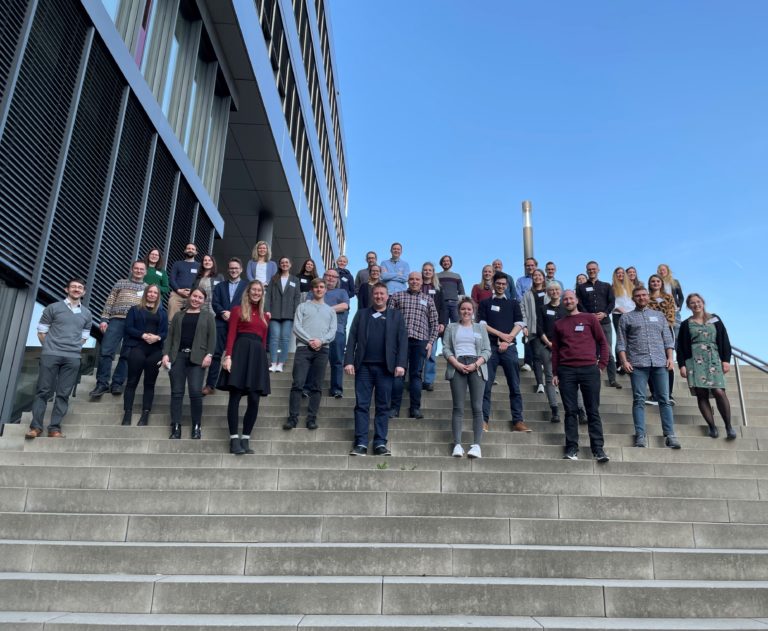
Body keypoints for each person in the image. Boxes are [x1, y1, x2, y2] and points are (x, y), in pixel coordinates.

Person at [344, 282, 407, 456]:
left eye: (382, 294)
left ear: (388, 296)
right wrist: (348, 361)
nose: (379, 296)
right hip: (363, 367)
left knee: (383, 406)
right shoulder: (362, 314)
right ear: (373, 296)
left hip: (386, 369)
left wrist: (401, 364)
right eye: (376, 293)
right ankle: (361, 443)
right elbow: (352, 339)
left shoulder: (396, 316)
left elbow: (403, 342)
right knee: (361, 405)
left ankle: (380, 443)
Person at [24, 278, 92, 440]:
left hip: (72, 357)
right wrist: (49, 347)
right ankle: (35, 427)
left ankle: (54, 428)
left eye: (80, 287)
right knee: (43, 391)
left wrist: (74, 347)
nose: (76, 289)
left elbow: (84, 337)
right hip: (51, 355)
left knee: (63, 394)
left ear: (83, 292)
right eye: (73, 287)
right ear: (66, 289)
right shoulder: (53, 308)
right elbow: (41, 332)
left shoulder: (87, 313)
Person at [617, 286, 681, 449]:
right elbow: (621, 343)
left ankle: (670, 435)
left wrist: (670, 358)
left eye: (644, 295)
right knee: (639, 400)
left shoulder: (659, 316)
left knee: (664, 400)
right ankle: (640, 435)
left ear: (648, 297)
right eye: (638, 295)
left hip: (660, 363)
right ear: (633, 298)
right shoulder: (626, 318)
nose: (641, 298)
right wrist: (624, 361)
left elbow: (667, 339)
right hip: (638, 364)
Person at [551, 289, 610, 462]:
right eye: (565, 299)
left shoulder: (590, 318)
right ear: (562, 302)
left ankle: (598, 449)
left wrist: (602, 365)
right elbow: (555, 350)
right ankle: (571, 448)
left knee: (593, 411)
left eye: (571, 298)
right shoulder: (558, 324)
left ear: (576, 300)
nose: (568, 301)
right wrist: (555, 372)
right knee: (570, 411)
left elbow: (602, 342)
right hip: (566, 370)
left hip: (589, 369)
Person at [219, 281, 271, 455]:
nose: (256, 293)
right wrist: (228, 357)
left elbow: (264, 340)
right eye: (253, 290)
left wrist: (264, 360)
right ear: (248, 292)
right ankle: (234, 439)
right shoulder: (237, 310)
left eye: (259, 290)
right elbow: (231, 334)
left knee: (255, 399)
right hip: (240, 353)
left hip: (258, 357)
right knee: (235, 396)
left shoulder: (265, 316)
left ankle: (245, 438)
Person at [677, 293, 736, 440]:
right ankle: (712, 426)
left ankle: (728, 426)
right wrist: (682, 365)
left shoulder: (714, 318)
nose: (696, 304)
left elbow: (724, 338)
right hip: (694, 360)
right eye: (692, 303)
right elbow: (681, 346)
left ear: (703, 302)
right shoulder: (685, 324)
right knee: (702, 394)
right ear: (688, 306)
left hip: (714, 358)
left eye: (698, 302)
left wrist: (726, 359)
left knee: (719, 391)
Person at [478, 272, 530, 433]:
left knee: (514, 386)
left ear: (507, 285)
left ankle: (518, 421)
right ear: (493, 284)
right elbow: (481, 324)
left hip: (510, 349)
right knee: (486, 387)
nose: (501, 286)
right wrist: (501, 335)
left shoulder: (513, 303)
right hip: (490, 348)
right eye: (498, 283)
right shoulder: (485, 303)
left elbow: (520, 323)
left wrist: (508, 340)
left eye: (503, 284)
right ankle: (483, 421)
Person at [162, 288, 216, 440]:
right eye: (194, 296)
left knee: (195, 392)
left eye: (200, 297)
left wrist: (209, 355)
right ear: (189, 297)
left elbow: (212, 338)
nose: (196, 299)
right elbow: (170, 337)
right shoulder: (179, 315)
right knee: (177, 393)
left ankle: (197, 426)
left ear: (203, 301)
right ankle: (176, 426)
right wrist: (166, 354)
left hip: (198, 358)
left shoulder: (208, 316)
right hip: (177, 356)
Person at [89, 260, 147, 398]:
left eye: (141, 269)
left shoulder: (147, 287)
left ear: (145, 272)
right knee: (106, 351)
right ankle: (102, 383)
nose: (139, 271)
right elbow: (110, 300)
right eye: (136, 268)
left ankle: (117, 383)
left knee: (127, 355)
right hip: (116, 320)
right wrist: (104, 319)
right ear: (132, 269)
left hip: (134, 324)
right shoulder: (120, 282)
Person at [285, 278, 337, 430]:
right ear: (312, 290)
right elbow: (296, 326)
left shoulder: (331, 310)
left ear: (325, 290)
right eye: (316, 287)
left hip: (323, 350)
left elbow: (332, 331)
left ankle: (311, 418)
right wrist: (310, 341)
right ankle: (293, 418)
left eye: (322, 287)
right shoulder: (303, 306)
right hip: (303, 348)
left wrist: (321, 341)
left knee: (316, 386)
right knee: (298, 384)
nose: (319, 289)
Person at [443, 298, 491, 459]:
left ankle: (476, 445)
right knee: (458, 407)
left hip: (476, 365)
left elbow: (487, 350)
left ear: (473, 311)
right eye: (463, 309)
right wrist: (456, 364)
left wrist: (476, 364)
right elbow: (446, 348)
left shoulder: (480, 328)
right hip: (457, 364)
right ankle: (457, 444)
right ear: (459, 311)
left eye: (469, 309)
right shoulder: (451, 327)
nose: (466, 312)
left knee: (477, 407)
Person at [387, 271, 439, 419]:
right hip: (400, 342)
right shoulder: (397, 296)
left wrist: (430, 342)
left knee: (416, 375)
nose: (414, 281)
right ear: (407, 281)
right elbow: (389, 320)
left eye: (417, 279)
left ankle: (415, 408)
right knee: (398, 374)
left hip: (420, 342)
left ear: (422, 282)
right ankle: (394, 408)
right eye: (412, 279)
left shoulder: (428, 299)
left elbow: (434, 323)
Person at [121, 284, 168, 427]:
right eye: (150, 292)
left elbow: (165, 332)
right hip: (137, 347)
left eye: (155, 292)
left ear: (158, 296)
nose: (152, 294)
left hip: (154, 351)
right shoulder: (135, 310)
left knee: (150, 383)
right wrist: (142, 335)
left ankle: (145, 414)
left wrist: (157, 338)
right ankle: (127, 413)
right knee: (132, 382)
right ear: (146, 293)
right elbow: (128, 327)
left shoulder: (163, 313)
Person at [205, 257, 248, 395]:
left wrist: (235, 314)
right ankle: (210, 385)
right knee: (216, 354)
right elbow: (215, 302)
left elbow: (247, 304)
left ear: (241, 269)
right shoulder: (219, 286)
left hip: (239, 324)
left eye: (236, 268)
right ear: (228, 269)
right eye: (231, 268)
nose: (234, 270)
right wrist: (223, 312)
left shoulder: (247, 287)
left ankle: (234, 384)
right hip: (221, 323)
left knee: (236, 355)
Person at [575, 261, 620, 389]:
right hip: (588, 323)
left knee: (608, 350)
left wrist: (605, 313)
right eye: (589, 269)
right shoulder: (581, 287)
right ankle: (592, 377)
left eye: (594, 269)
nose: (591, 271)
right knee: (591, 351)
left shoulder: (606, 286)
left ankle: (612, 379)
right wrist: (589, 316)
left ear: (598, 269)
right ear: (586, 270)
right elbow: (579, 304)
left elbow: (612, 302)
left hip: (605, 322)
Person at [537, 282, 568, 423]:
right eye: (551, 290)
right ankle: (554, 410)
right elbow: (540, 328)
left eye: (557, 289)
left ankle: (579, 409)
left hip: (566, 348)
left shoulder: (566, 308)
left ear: (560, 291)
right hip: (547, 346)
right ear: (548, 292)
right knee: (549, 378)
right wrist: (549, 343)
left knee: (569, 378)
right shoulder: (543, 309)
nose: (554, 292)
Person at [265, 256, 301, 372]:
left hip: (288, 314)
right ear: (280, 265)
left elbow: (297, 297)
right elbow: (268, 295)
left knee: (285, 339)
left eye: (287, 262)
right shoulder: (274, 278)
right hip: (274, 313)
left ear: (290, 265)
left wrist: (296, 312)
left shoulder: (295, 280)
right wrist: (267, 310)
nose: (284, 264)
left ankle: (281, 363)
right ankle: (273, 362)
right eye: (282, 262)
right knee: (274, 338)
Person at [647, 273, 677, 404]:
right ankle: (654, 394)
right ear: (649, 284)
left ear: (661, 283)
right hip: (649, 333)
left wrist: (663, 326)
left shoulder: (668, 297)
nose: (655, 283)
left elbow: (671, 313)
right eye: (653, 281)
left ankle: (668, 394)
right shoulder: (646, 297)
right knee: (649, 362)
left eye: (657, 281)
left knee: (667, 362)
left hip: (665, 331)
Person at [321, 268, 350, 398]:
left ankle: (337, 389)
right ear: (324, 276)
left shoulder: (342, 292)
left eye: (334, 276)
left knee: (337, 361)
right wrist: (334, 309)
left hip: (337, 330)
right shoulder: (317, 290)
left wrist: (324, 309)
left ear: (337, 280)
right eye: (328, 275)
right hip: (318, 331)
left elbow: (344, 306)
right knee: (317, 361)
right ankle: (311, 388)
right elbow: (309, 306)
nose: (331, 278)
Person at [421, 262, 448, 392]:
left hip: (434, 324)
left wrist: (442, 322)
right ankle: (416, 379)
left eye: (429, 270)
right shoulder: (418, 286)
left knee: (431, 354)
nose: (427, 272)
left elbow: (443, 307)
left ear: (433, 272)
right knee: (418, 354)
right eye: (425, 270)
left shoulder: (438, 288)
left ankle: (428, 381)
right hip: (419, 324)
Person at [520, 268, 548, 390]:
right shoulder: (527, 294)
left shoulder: (549, 292)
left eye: (540, 275)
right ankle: (540, 383)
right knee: (536, 355)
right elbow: (523, 310)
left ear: (543, 277)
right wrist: (524, 325)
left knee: (549, 356)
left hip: (548, 327)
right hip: (534, 328)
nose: (537, 277)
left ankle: (551, 382)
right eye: (535, 275)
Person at [611, 267, 634, 374]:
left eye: (622, 273)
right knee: (621, 338)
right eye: (618, 273)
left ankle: (630, 361)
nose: (620, 275)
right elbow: (612, 302)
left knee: (631, 338)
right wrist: (621, 310)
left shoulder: (630, 287)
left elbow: (633, 301)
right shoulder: (613, 287)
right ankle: (619, 363)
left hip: (631, 314)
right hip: (618, 314)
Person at [168, 243, 198, 320]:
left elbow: (200, 281)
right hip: (177, 295)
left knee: (189, 320)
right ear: (185, 250)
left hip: (193, 296)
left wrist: (192, 291)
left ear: (196, 252)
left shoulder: (199, 266)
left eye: (192, 249)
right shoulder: (177, 264)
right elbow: (172, 279)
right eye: (188, 248)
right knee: (172, 319)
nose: (190, 250)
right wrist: (179, 290)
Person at [657, 263, 684, 337]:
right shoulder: (657, 283)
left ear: (667, 271)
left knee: (676, 331)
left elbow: (681, 297)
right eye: (660, 270)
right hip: (662, 310)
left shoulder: (675, 282)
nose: (662, 272)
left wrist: (679, 307)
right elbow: (654, 297)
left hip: (674, 310)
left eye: (663, 270)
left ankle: (675, 348)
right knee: (664, 332)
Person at [437, 254, 465, 323]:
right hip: (442, 304)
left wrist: (460, 303)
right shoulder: (436, 276)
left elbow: (462, 292)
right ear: (441, 263)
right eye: (444, 261)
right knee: (443, 325)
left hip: (455, 304)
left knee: (457, 325)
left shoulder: (457, 276)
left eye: (448, 261)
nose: (446, 263)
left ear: (451, 263)